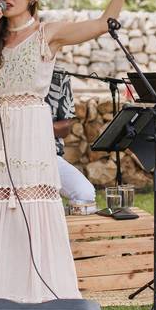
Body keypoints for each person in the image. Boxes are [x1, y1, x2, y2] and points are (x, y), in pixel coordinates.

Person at [0, 0, 149, 302]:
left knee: (32, 204)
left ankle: (38, 288)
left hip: (30, 128)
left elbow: (104, 23)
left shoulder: (48, 33)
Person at [47, 68, 97, 214]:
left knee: (85, 196)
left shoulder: (58, 74)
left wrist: (36, 127)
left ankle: (60, 234)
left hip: (49, 155)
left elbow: (65, 127)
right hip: (12, 157)